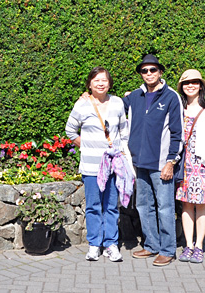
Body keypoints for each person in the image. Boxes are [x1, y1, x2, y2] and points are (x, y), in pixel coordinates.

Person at [122, 54, 183, 266]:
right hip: (140, 163)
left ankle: (167, 249)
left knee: (165, 207)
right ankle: (151, 245)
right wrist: (89, 97)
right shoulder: (134, 97)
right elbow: (110, 106)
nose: (149, 74)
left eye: (153, 70)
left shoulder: (171, 97)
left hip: (161, 165)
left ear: (160, 72)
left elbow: (177, 133)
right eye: (145, 71)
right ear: (141, 73)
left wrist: (170, 162)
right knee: (143, 206)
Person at [65, 66, 129, 263]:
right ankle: (94, 245)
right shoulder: (82, 105)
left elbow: (124, 131)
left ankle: (111, 244)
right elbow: (70, 131)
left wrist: (123, 154)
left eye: (104, 80)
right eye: (96, 80)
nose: (101, 83)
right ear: (90, 84)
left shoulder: (118, 103)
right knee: (93, 206)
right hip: (91, 166)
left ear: (109, 83)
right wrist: (86, 145)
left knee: (111, 205)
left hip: (113, 166)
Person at [175, 69, 205, 264]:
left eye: (195, 82)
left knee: (202, 205)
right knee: (186, 204)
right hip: (183, 164)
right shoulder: (178, 108)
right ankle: (188, 245)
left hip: (202, 164)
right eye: (186, 83)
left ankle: (199, 246)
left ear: (201, 85)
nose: (191, 85)